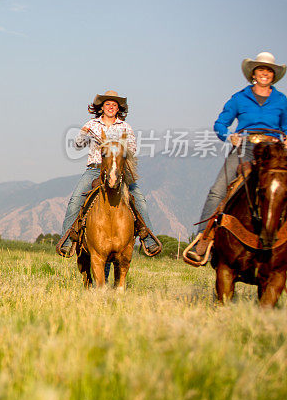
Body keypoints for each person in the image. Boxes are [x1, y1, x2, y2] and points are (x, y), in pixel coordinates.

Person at [185, 51, 287, 263]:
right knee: (218, 190)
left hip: (274, 149)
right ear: (253, 73)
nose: (265, 73)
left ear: (273, 75)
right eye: (261, 70)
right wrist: (228, 136)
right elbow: (220, 123)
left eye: (269, 70)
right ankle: (203, 240)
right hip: (246, 146)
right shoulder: (239, 98)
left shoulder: (281, 100)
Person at [56, 90, 162, 257]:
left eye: (114, 105)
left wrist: (117, 146)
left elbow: (133, 149)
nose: (111, 107)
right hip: (95, 169)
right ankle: (67, 240)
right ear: (102, 107)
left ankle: (148, 238)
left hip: (119, 170)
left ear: (119, 108)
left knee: (139, 199)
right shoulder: (91, 125)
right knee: (76, 199)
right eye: (108, 104)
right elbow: (77, 144)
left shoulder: (125, 127)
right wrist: (84, 132)